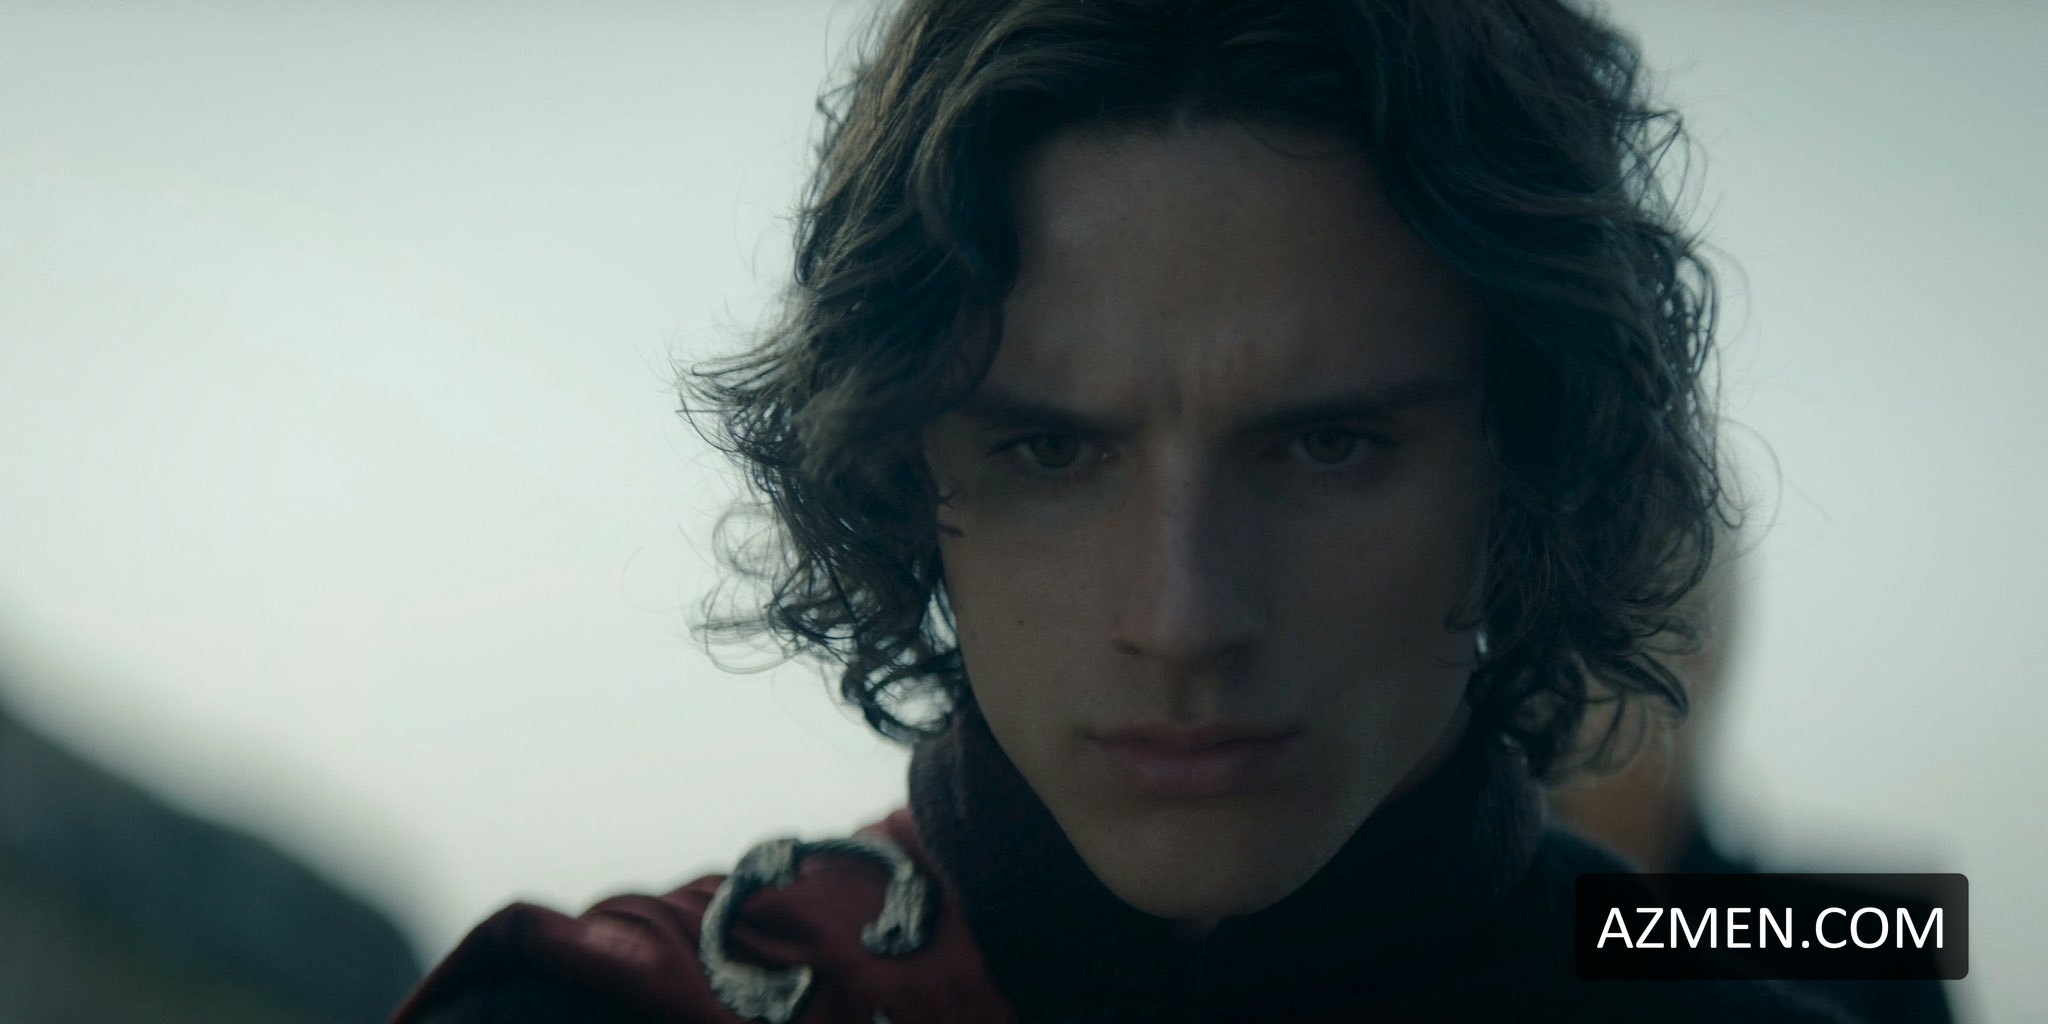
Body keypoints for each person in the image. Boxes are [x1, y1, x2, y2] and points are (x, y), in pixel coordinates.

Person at [389, 0, 1863, 1020]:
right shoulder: (608, 1016)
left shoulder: (1807, 935)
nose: (1183, 618)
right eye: (1049, 451)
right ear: (904, 472)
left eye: (1329, 446)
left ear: (1534, 469)